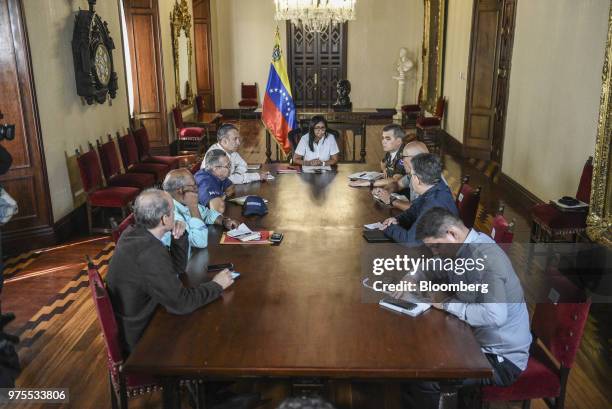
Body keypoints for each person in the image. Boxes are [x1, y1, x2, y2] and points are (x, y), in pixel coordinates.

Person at [402, 207, 531, 409]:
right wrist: (412, 276)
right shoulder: (460, 249)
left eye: (436, 247)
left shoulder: (485, 259)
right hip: (473, 339)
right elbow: (433, 266)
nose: (434, 253)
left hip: (500, 359)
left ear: (452, 234)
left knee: (427, 378)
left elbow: (494, 315)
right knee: (415, 355)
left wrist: (445, 303)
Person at [106, 189, 234, 356]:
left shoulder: (133, 233)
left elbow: (176, 269)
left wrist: (179, 238)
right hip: (145, 337)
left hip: (144, 317)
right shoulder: (149, 252)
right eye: (173, 211)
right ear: (164, 218)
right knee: (214, 335)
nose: (176, 215)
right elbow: (181, 303)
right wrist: (216, 285)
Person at [380, 153, 457, 244]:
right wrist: (397, 220)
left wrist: (389, 228)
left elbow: (410, 241)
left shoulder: (435, 203)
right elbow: (413, 211)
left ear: (416, 179)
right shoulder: (434, 188)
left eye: (411, 175)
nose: (411, 178)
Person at [162, 169, 239, 255]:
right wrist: (193, 207)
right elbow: (200, 242)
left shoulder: (181, 202)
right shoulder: (169, 213)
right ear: (180, 190)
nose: (197, 189)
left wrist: (225, 221)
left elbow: (206, 213)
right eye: (193, 186)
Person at [371, 140, 429, 210]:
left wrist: (392, 200)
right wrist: (385, 191)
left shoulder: (428, 178)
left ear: (413, 158)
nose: (401, 161)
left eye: (403, 157)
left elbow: (418, 208)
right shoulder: (412, 174)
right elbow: (397, 184)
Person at [204, 123, 269, 183]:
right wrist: (256, 176)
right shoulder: (215, 155)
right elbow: (228, 179)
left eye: (238, 139)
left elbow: (243, 164)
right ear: (224, 141)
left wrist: (237, 174)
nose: (238, 143)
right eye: (235, 139)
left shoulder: (230, 151)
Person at [194, 149, 235, 213]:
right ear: (215, 168)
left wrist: (224, 196)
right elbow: (218, 210)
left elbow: (231, 187)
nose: (230, 168)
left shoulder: (219, 176)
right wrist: (220, 198)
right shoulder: (206, 182)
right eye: (228, 166)